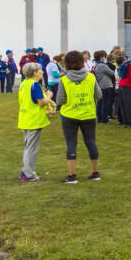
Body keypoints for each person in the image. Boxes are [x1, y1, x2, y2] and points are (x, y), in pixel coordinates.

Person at [55, 51, 102, 183]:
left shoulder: (64, 80)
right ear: (82, 62)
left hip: (69, 115)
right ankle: (95, 172)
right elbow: (98, 95)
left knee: (71, 143)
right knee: (91, 142)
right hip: (88, 114)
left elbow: (60, 100)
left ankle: (71, 176)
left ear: (66, 64)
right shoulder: (91, 77)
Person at [17, 62, 48, 182]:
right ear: (35, 73)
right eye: (40, 70)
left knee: (27, 147)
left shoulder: (24, 83)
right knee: (31, 148)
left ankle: (25, 171)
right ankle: (28, 174)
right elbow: (41, 102)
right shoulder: (34, 84)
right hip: (34, 120)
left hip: (24, 118)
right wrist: (49, 96)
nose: (42, 72)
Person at [92, 51, 115, 124]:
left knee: (100, 103)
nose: (105, 58)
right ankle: (104, 119)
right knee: (105, 103)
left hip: (100, 85)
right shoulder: (102, 65)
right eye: (104, 56)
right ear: (101, 57)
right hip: (105, 85)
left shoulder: (96, 65)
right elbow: (112, 73)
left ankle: (99, 118)